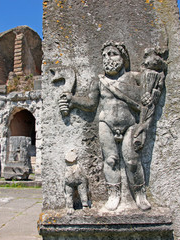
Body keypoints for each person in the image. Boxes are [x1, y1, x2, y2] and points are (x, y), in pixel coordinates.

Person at [58, 41, 165, 211]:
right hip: (106, 123)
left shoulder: (133, 77)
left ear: (123, 58)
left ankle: (140, 194)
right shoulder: (99, 81)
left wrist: (148, 97)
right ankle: (113, 194)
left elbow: (150, 87)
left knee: (131, 160)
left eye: (113, 54)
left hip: (130, 123)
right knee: (110, 160)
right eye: (105, 55)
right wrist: (73, 100)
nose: (108, 58)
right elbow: (91, 104)